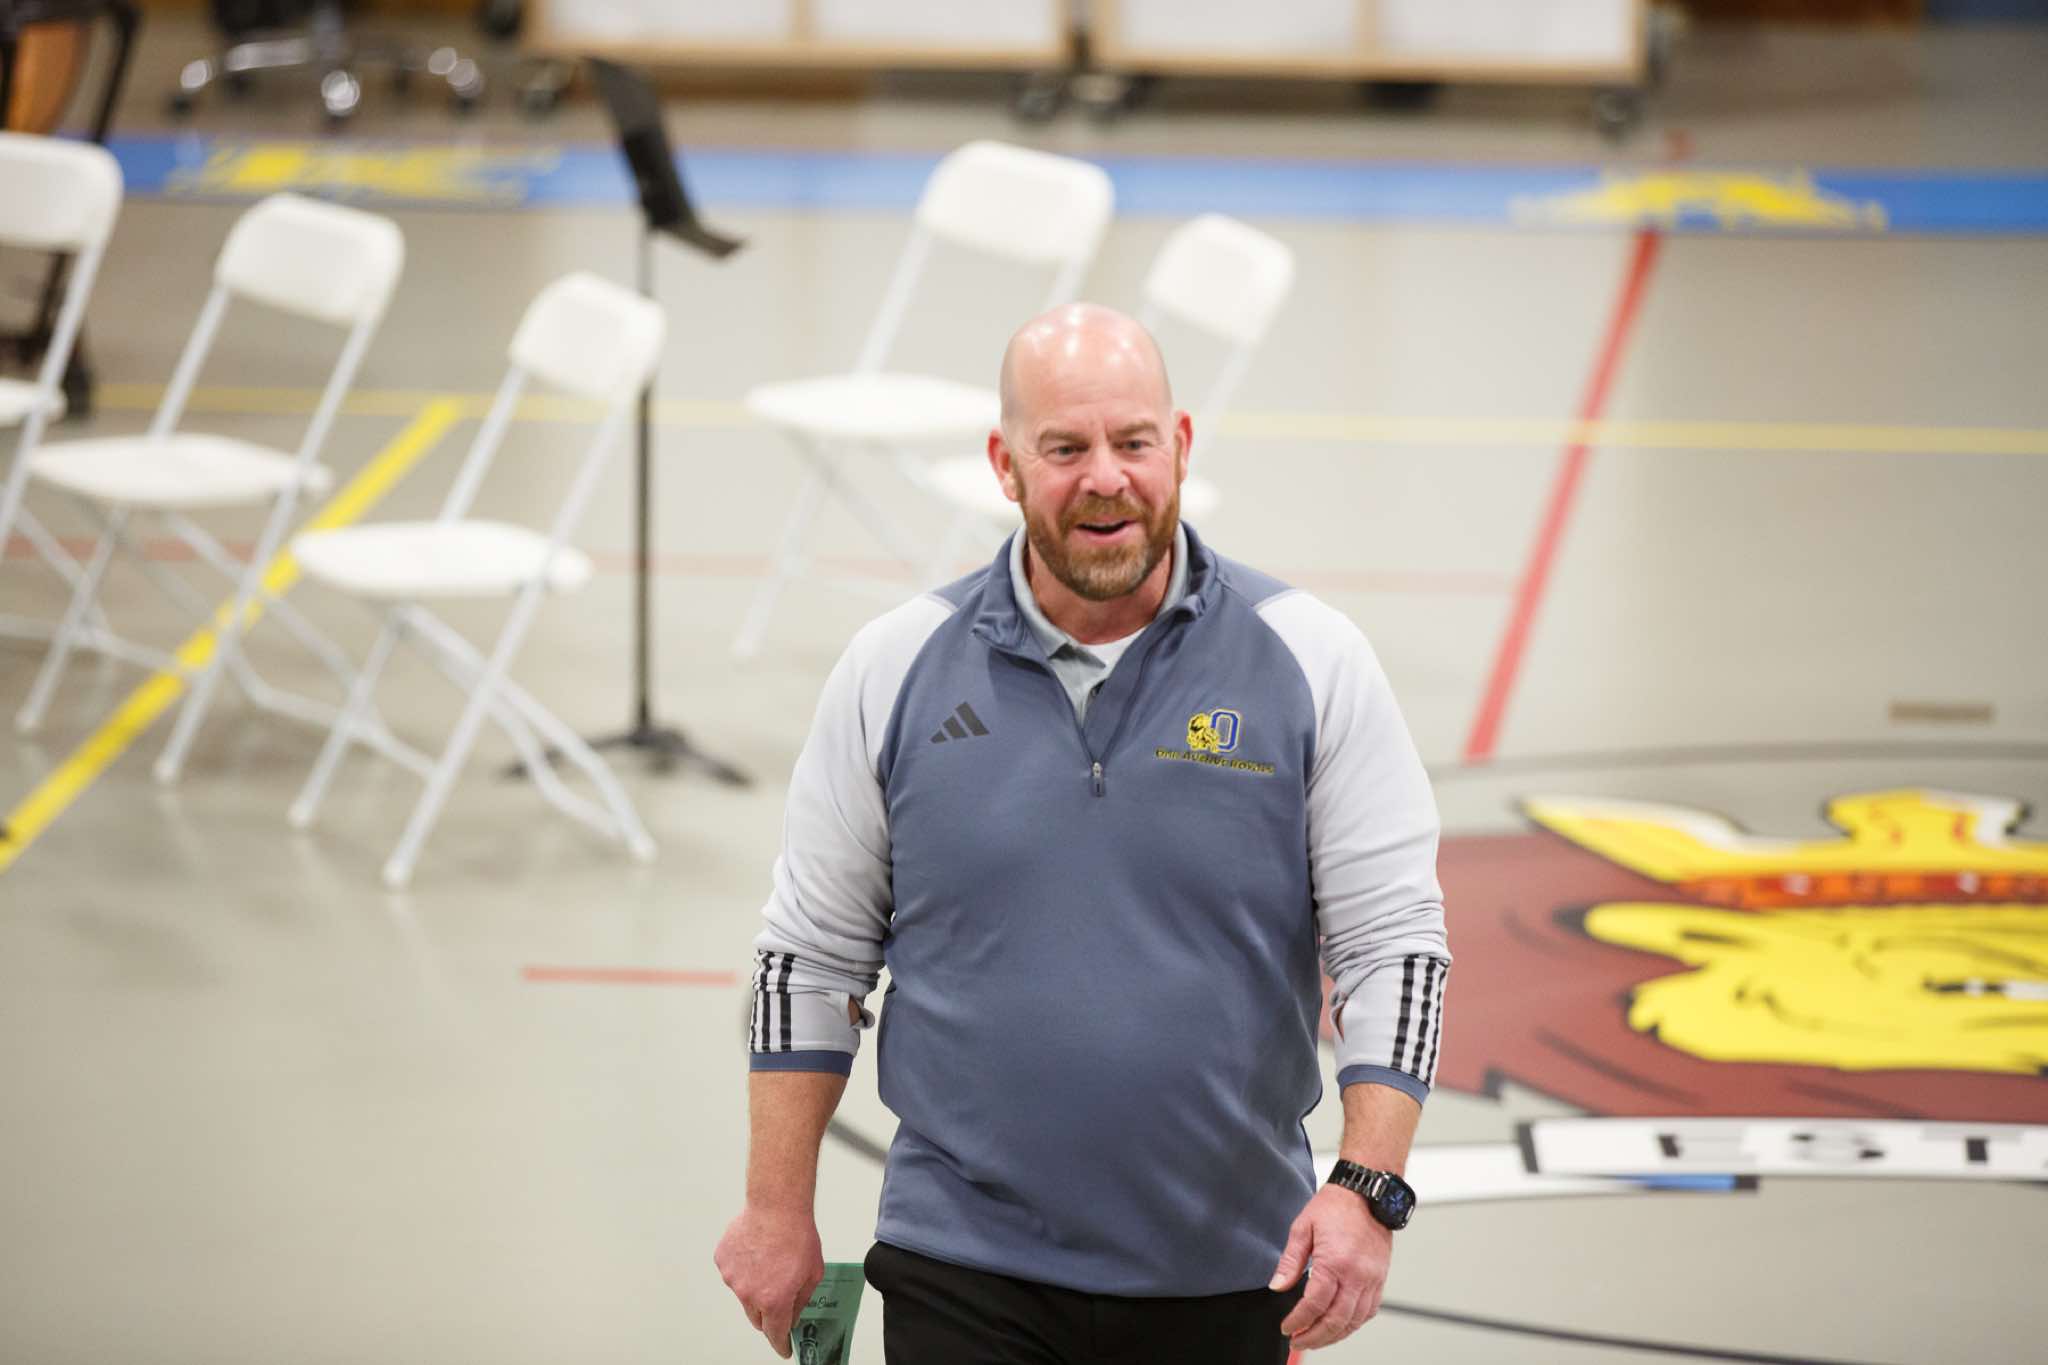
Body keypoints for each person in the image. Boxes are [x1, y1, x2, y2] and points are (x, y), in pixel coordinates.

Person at [715, 303, 1449, 1363]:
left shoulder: (1311, 660)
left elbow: (1395, 946)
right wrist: (775, 1207)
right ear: (1004, 465)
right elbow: (808, 957)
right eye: (1063, 449)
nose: (1105, 477)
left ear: (1180, 445)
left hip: (1232, 1266)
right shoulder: (895, 667)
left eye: (1132, 442)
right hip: (961, 1262)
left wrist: (1367, 1186)